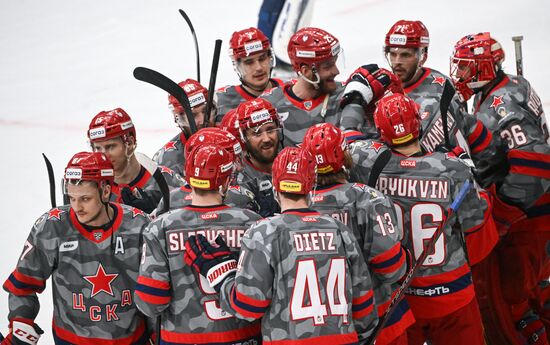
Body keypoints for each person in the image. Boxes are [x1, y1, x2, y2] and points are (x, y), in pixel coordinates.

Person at [184, 146, 379, 343]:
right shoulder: (341, 230)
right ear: (311, 186)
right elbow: (363, 309)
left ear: (275, 187)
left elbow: (248, 307)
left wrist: (221, 274)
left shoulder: (263, 233)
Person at [349, 94, 496, 345]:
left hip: (401, 299)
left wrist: (352, 99)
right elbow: (476, 225)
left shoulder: (366, 160)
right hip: (452, 293)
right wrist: (477, 186)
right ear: (418, 123)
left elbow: (340, 144)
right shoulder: (451, 168)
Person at [451, 32, 550, 344]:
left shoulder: (502, 101)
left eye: (466, 67)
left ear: (484, 68)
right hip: (535, 214)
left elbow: (536, 166)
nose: (459, 74)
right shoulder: (508, 86)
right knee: (534, 292)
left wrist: (504, 213)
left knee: (510, 302)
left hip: (527, 218)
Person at [2, 152, 151, 344]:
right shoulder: (51, 227)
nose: (77, 207)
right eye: (72, 198)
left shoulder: (139, 225)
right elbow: (22, 285)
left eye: (85, 199)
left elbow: (158, 287)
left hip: (132, 340)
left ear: (105, 191)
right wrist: (21, 324)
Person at [135, 143, 263, 345]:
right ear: (227, 181)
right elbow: (261, 295)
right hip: (243, 337)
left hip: (181, 339)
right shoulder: (254, 224)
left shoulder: (160, 227)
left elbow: (151, 301)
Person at [303, 123, 414, 345]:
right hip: (379, 316)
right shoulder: (368, 199)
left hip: (325, 327)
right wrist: (408, 259)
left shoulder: (296, 208)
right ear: (344, 157)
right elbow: (392, 268)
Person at [87, 107, 184, 214]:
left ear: (130, 142)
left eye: (110, 146)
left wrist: (158, 213)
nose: (103, 155)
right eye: (97, 148)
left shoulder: (165, 179)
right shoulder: (91, 188)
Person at [261, 26, 345, 147]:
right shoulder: (268, 105)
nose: (336, 71)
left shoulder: (347, 93)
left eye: (335, 63)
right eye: (328, 66)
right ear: (305, 71)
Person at [154, 127, 258, 214]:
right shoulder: (241, 196)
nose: (239, 167)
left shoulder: (171, 198)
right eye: (233, 160)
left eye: (238, 159)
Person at [215, 27, 284, 123]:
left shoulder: (292, 90)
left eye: (262, 58)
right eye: (249, 62)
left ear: (270, 58)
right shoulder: (219, 102)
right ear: (236, 65)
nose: (258, 68)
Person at [154, 78, 214, 177]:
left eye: (205, 111)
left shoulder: (232, 138)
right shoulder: (167, 159)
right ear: (178, 118)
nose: (202, 120)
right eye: (193, 115)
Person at [235, 98, 283, 217]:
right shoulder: (238, 179)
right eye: (257, 134)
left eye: (270, 130)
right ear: (243, 138)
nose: (266, 139)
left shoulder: (296, 164)